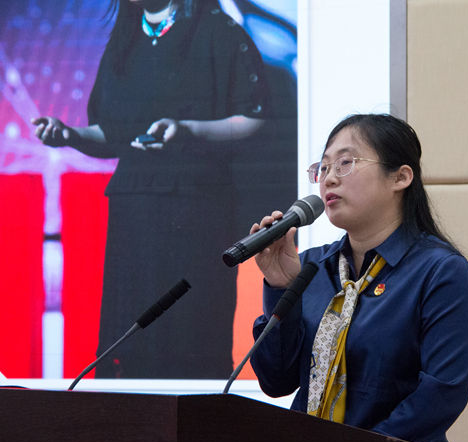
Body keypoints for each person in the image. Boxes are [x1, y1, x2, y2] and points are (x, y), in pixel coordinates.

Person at [31, 0, 287, 378]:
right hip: (132, 212)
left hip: (195, 209)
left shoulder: (218, 31)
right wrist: (69, 135)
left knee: (189, 336)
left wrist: (188, 130)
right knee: (131, 338)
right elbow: (112, 134)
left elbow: (255, 117)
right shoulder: (124, 41)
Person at [249, 114, 468, 442]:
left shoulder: (441, 272)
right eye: (323, 168)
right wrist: (280, 288)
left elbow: (441, 395)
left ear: (400, 177)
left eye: (345, 163)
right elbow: (276, 381)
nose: (329, 178)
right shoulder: (310, 267)